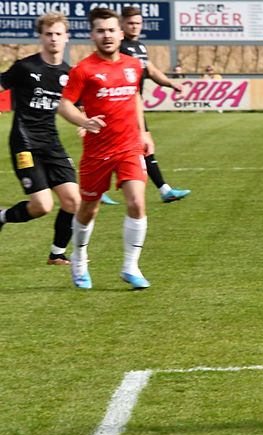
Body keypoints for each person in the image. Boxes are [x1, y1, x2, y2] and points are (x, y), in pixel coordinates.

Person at [58, 7, 155, 290]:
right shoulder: (83, 70)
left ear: (121, 33)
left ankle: (130, 266)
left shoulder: (133, 65)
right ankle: (79, 258)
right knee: (88, 209)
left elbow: (135, 97)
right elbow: (64, 105)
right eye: (100, 31)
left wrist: (143, 131)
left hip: (129, 147)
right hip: (97, 152)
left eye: (111, 30)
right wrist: (84, 121)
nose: (107, 35)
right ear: (92, 35)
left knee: (137, 202)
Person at [0, 12, 78, 265]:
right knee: (42, 206)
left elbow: (75, 106)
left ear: (66, 37)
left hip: (52, 143)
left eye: (58, 34)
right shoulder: (25, 67)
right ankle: (2, 217)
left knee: (73, 201)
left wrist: (85, 123)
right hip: (25, 144)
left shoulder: (69, 74)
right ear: (41, 37)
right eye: (48, 34)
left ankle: (56, 254)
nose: (53, 38)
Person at [102, 5, 190, 205]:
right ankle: (164, 190)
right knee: (124, 147)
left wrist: (171, 84)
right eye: (131, 23)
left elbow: (151, 70)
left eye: (138, 23)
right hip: (119, 105)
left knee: (139, 146)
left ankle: (164, 190)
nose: (135, 27)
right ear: (122, 24)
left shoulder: (140, 47)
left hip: (133, 105)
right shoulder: (118, 46)